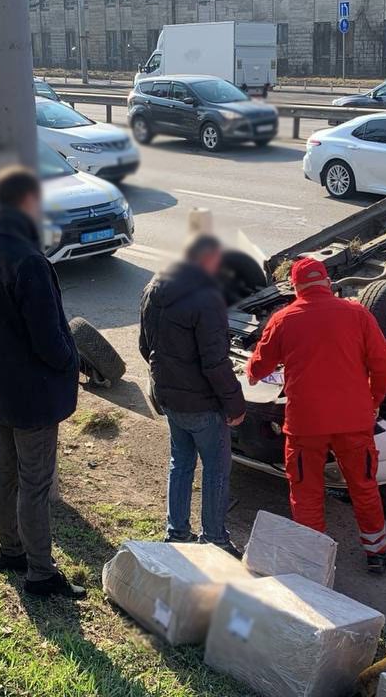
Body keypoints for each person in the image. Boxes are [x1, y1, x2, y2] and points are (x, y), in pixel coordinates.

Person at [0, 165, 85, 600]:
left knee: (5, 471)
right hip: (35, 396)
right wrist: (73, 361)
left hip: (1, 387)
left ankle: (10, 551)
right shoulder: (29, 261)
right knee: (35, 483)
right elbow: (50, 341)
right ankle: (40, 573)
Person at [245, 257, 386, 573]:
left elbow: (259, 368)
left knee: (306, 490)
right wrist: (374, 399)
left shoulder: (284, 319)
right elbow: (384, 362)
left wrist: (252, 369)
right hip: (354, 420)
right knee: (363, 485)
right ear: (327, 283)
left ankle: (312, 563)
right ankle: (377, 552)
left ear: (296, 288)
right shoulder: (357, 313)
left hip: (306, 424)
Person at [139, 234, 247, 556]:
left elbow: (145, 347)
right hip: (203, 404)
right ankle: (214, 538)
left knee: (180, 463)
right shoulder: (206, 297)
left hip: (171, 399)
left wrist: (170, 379)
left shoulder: (154, 287)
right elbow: (214, 361)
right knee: (215, 469)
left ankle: (177, 533)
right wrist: (235, 403)